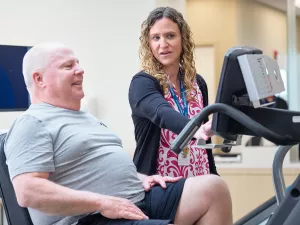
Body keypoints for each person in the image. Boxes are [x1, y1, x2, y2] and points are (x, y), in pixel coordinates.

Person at [4, 43, 232, 225]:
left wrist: (141, 178)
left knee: (213, 189)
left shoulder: (86, 118)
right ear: (39, 79)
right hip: (89, 218)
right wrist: (102, 203)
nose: (80, 70)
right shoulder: (32, 122)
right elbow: (28, 191)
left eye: (78, 63)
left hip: (134, 200)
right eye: (68, 66)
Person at [129, 7, 217, 177]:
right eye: (156, 38)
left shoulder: (197, 82)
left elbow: (205, 141)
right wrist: (191, 128)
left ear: (183, 39)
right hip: (162, 184)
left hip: (201, 178)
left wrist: (213, 173)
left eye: (170, 35)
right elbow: (161, 112)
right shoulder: (143, 83)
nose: (163, 44)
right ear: (149, 44)